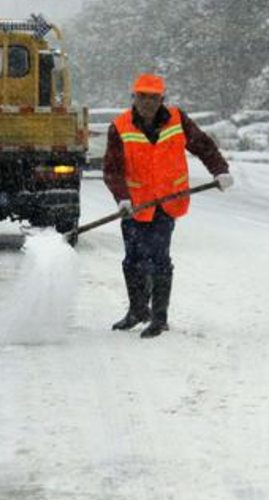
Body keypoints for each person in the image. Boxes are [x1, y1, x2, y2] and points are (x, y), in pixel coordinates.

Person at [103, 73, 234, 338]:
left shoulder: (177, 119)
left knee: (158, 259)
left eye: (153, 97)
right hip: (135, 205)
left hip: (167, 203)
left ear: (162, 98)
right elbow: (112, 169)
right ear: (134, 98)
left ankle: (159, 318)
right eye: (142, 97)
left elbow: (203, 145)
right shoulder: (120, 126)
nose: (148, 102)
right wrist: (122, 198)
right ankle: (138, 311)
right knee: (132, 260)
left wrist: (220, 170)